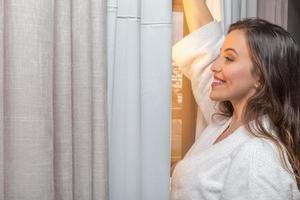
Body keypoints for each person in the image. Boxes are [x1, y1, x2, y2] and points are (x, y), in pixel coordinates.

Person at [171, 0, 300, 199]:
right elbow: (204, 49)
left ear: (261, 77)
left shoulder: (258, 157)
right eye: (220, 55)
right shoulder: (224, 121)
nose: (215, 66)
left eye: (229, 58)